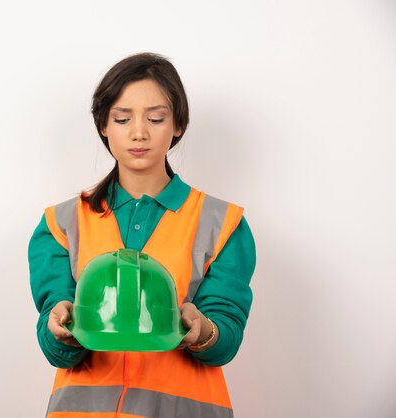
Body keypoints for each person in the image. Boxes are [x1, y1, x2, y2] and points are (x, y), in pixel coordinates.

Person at [28, 52, 256, 418]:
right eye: (122, 118)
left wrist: (203, 330)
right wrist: (60, 327)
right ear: (103, 125)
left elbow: (226, 334)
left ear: (177, 124)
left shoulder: (222, 222)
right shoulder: (61, 223)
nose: (139, 132)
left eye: (156, 118)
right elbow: (53, 340)